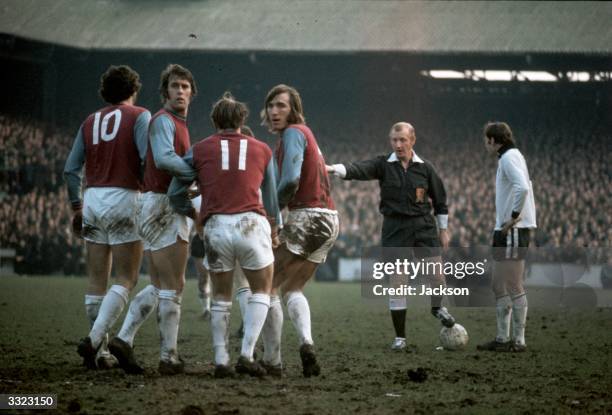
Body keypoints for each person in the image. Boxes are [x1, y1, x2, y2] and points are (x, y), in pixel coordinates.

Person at [169, 92, 281, 378]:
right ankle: (246, 353)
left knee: (220, 296)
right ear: (242, 120)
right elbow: (270, 198)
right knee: (262, 291)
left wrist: (194, 213)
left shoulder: (200, 149)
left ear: (214, 121)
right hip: (251, 225)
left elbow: (175, 192)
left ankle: (221, 359)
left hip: (216, 226)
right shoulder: (263, 150)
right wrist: (276, 227)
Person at [327, 122, 456, 351]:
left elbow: (440, 201)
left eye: (403, 140)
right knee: (398, 283)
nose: (398, 145)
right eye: (394, 140)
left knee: (437, 276)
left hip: (424, 226)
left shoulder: (426, 168)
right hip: (395, 228)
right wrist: (334, 168)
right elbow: (359, 169)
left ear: (412, 140)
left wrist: (443, 230)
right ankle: (401, 338)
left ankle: (437, 308)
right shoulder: (383, 164)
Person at [108, 64, 197, 375]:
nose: (181, 91)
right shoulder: (164, 121)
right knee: (174, 284)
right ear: (165, 92)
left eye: (186, 87)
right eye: (175, 86)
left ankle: (123, 338)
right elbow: (162, 158)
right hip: (162, 204)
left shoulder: (176, 124)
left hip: (154, 204)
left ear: (192, 93)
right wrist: (200, 175)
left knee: (160, 284)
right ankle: (169, 357)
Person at [63, 65, 150, 369]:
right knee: (126, 278)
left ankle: (100, 354)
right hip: (126, 196)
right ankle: (95, 338)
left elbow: (71, 169)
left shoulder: (90, 121)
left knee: (97, 280)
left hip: (93, 199)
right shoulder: (140, 115)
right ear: (133, 90)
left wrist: (76, 207)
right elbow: (144, 159)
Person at [261, 84, 339, 377]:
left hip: (307, 215)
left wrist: (272, 212)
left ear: (294, 110)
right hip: (330, 219)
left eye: (281, 105)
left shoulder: (293, 133)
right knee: (292, 288)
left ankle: (272, 360)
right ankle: (307, 344)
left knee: (267, 285)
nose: (274, 111)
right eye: (271, 105)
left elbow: (292, 179)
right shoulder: (307, 135)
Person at [477, 121, 536, 352]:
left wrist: (513, 216)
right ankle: (502, 339)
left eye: (486, 141)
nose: (485, 145)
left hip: (512, 229)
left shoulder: (509, 157)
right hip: (504, 229)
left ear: (493, 140)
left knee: (512, 282)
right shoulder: (511, 156)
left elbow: (523, 187)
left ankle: (518, 341)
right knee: (497, 284)